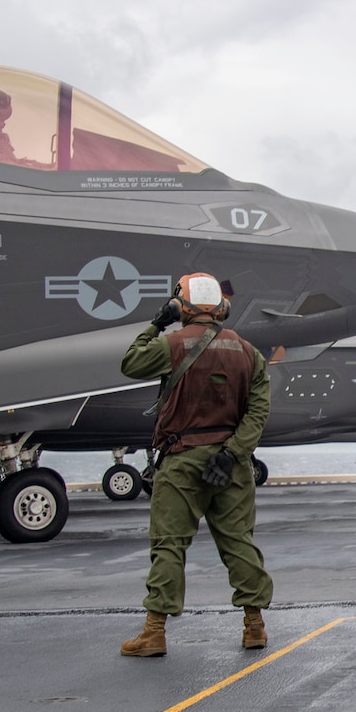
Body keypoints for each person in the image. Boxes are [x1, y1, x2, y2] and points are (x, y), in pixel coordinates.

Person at [118, 273, 274, 657]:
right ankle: (254, 626)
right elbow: (259, 412)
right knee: (239, 543)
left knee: (169, 545)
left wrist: (158, 322)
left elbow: (130, 363)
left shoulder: (170, 344)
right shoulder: (248, 352)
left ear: (180, 306)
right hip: (232, 465)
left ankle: (154, 633)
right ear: (222, 308)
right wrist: (232, 452)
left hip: (182, 459)